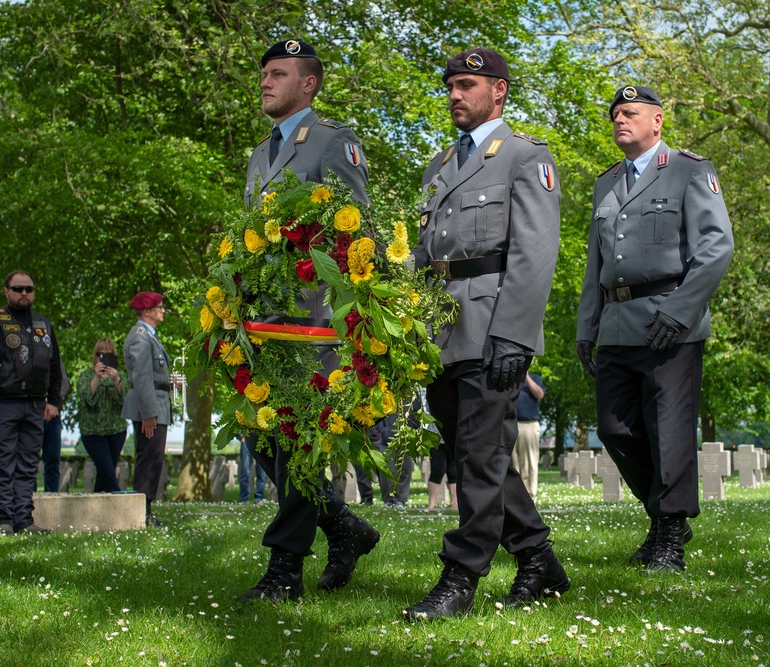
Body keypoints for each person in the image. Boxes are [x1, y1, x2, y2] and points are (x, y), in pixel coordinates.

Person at [404, 48, 569, 621]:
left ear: (498, 90)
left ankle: (461, 576)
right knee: (480, 454)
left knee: (476, 455)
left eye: (467, 84)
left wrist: (515, 335)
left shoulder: (525, 157)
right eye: (450, 85)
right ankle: (538, 558)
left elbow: (534, 252)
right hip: (443, 332)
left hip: (495, 325)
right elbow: (424, 256)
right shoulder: (439, 167)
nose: (455, 94)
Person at [237, 39, 379, 603]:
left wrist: (351, 316)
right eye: (264, 74)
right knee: (260, 431)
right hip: (264, 320)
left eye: (278, 74)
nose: (266, 82)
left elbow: (357, 224)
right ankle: (345, 528)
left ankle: (284, 570)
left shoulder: (330, 141)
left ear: (309, 84)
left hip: (313, 317)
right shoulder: (258, 155)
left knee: (296, 439)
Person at [575, 85, 734, 572]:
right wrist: (587, 328)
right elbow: (595, 264)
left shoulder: (689, 170)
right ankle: (668, 514)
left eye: (630, 113)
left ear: (658, 120)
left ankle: (668, 536)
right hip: (618, 324)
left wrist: (681, 311)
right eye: (615, 115)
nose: (620, 120)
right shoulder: (607, 183)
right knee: (615, 429)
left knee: (670, 434)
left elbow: (716, 247)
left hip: (671, 323)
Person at [0, 270, 62, 535]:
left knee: (29, 463)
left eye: (29, 289)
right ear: (6, 291)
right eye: (18, 288)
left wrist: (53, 401)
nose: (24, 293)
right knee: (3, 462)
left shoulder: (43, 324)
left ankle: (24, 520)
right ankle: (3, 520)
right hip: (1, 404)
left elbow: (54, 365)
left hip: (34, 405)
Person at [121, 291, 172, 526]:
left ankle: (145, 511)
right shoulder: (141, 337)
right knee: (149, 458)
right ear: (147, 311)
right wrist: (149, 414)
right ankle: (142, 514)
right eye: (159, 307)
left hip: (156, 403)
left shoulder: (149, 336)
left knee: (154, 458)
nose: (162, 311)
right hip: (150, 407)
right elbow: (141, 378)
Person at [77, 337, 128, 493]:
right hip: (93, 432)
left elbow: (125, 398)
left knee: (104, 474)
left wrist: (116, 379)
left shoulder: (120, 376)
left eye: (109, 355)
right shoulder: (86, 376)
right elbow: (86, 398)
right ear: (96, 356)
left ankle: (97, 508)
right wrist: (97, 377)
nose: (104, 358)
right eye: (101, 354)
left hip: (116, 431)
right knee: (108, 471)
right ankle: (120, 499)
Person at [512, 368, 544, 501]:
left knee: (530, 461)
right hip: (511, 424)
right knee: (512, 462)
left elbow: (540, 394)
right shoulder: (510, 379)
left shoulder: (535, 378)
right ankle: (515, 495)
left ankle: (530, 496)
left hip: (529, 424)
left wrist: (526, 376)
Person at [40, 361, 69, 492]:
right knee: (28, 461)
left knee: (52, 461)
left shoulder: (54, 357)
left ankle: (51, 497)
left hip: (53, 415)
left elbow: (64, 383)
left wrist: (52, 400)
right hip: (32, 414)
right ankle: (28, 498)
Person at [237, 434, 267, 504]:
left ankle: (259, 499)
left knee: (261, 473)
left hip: (262, 440)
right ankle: (244, 499)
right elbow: (236, 424)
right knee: (245, 472)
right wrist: (240, 437)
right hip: (247, 440)